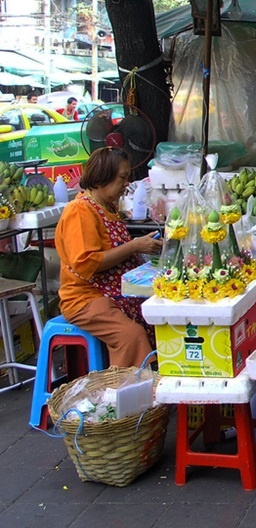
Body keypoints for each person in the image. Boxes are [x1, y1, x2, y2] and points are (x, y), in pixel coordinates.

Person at [55, 148, 162, 368]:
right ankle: (122, 396)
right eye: (122, 178)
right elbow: (88, 263)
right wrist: (134, 246)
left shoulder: (108, 206)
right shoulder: (80, 211)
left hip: (112, 290)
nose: (126, 184)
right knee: (131, 334)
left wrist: (144, 246)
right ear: (104, 176)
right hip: (85, 297)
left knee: (159, 313)